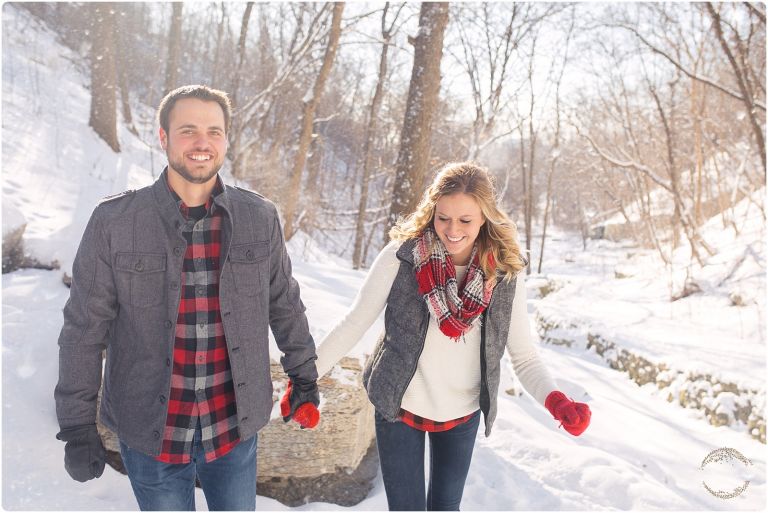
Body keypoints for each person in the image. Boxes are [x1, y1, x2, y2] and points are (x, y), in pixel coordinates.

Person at [54, 85, 320, 511]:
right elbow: (84, 330)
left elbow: (284, 303)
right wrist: (76, 425)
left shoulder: (259, 217)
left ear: (226, 140)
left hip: (233, 427)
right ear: (163, 137)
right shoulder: (115, 222)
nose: (202, 142)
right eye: (188, 130)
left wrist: (304, 377)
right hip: (151, 431)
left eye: (214, 131)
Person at [314, 162, 591, 511]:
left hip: (462, 412)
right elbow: (354, 323)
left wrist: (556, 402)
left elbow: (524, 356)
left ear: (484, 217)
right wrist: (305, 377)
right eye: (443, 217)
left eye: (465, 220)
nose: (452, 230)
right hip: (398, 404)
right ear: (432, 211)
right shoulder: (403, 256)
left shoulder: (504, 271)